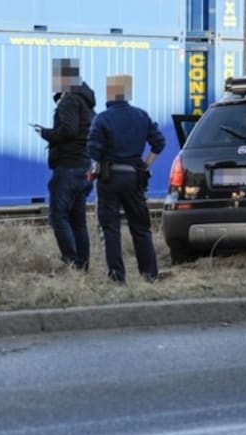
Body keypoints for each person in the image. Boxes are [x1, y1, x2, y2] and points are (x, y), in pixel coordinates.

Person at [87, 75, 165, 283]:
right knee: (141, 228)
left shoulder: (102, 119)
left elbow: (93, 151)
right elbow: (159, 142)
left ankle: (117, 278)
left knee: (111, 229)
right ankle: (150, 276)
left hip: (109, 179)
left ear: (110, 93)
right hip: (134, 177)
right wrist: (145, 164)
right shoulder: (141, 116)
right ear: (127, 93)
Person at [35, 58, 96, 271]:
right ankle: (83, 266)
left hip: (68, 167)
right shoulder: (86, 102)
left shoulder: (70, 100)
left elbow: (68, 131)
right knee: (78, 221)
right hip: (83, 166)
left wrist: (45, 133)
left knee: (58, 217)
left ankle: (71, 263)